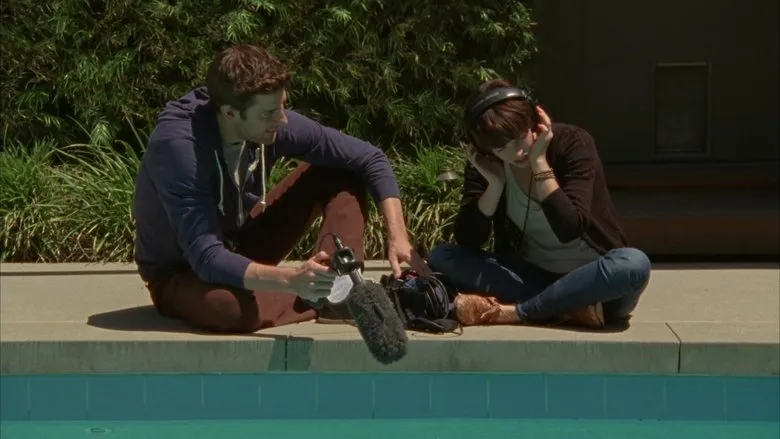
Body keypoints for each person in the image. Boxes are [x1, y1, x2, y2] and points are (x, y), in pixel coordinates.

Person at [133, 44, 427, 333]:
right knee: (230, 309)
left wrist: (399, 238)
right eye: (269, 113)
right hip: (182, 272)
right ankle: (326, 296)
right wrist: (291, 279)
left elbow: (371, 158)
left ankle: (340, 288)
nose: (282, 120)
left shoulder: (266, 120)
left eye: (283, 105)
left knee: (340, 170)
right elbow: (206, 257)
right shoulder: (180, 149)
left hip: (239, 242)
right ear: (230, 114)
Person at [427, 79, 651, 329]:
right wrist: (495, 185)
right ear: (484, 148)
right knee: (443, 256)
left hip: (595, 282)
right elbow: (468, 240)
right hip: (532, 278)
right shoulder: (486, 164)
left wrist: (540, 163)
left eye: (520, 137)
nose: (517, 152)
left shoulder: (573, 143)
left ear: (533, 119)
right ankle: (564, 309)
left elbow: (569, 227)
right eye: (502, 147)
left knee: (633, 264)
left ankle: (520, 312)